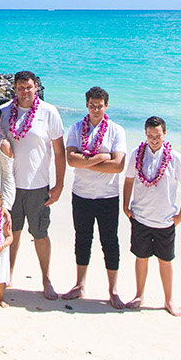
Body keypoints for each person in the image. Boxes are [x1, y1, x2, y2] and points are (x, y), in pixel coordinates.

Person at [0, 70, 66, 299]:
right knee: (11, 232)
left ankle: (46, 280)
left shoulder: (49, 112)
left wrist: (59, 185)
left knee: (40, 234)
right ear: (14, 88)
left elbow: (59, 152)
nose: (25, 92)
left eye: (29, 87)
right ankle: (6, 275)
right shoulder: (5, 112)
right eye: (20, 88)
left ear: (36, 87)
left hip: (38, 186)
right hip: (10, 186)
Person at [63, 85, 128, 308]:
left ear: (106, 106)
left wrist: (86, 161)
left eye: (100, 106)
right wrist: (101, 157)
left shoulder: (116, 130)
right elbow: (71, 160)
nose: (96, 110)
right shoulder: (75, 128)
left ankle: (113, 290)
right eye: (92, 106)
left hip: (107, 196)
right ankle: (79, 285)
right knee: (82, 239)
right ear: (87, 105)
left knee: (110, 242)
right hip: (81, 194)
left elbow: (118, 165)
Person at [121, 115, 181, 316]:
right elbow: (128, 181)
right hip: (140, 217)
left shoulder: (175, 158)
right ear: (145, 134)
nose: (154, 139)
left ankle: (169, 299)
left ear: (165, 134)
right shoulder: (137, 154)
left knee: (165, 260)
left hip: (165, 220)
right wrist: (125, 207)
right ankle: (139, 295)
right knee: (141, 257)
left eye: (158, 135)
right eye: (150, 135)